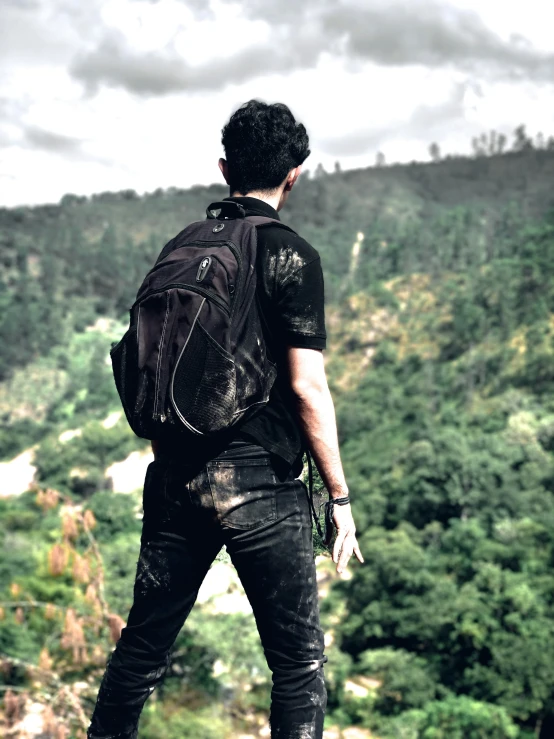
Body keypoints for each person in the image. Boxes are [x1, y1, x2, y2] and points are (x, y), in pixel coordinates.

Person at [87, 100, 364, 739]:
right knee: (297, 664)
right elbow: (306, 386)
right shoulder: (290, 255)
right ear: (294, 174)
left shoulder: (181, 247)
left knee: (141, 652)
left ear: (223, 167)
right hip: (259, 484)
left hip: (175, 473)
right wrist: (339, 497)